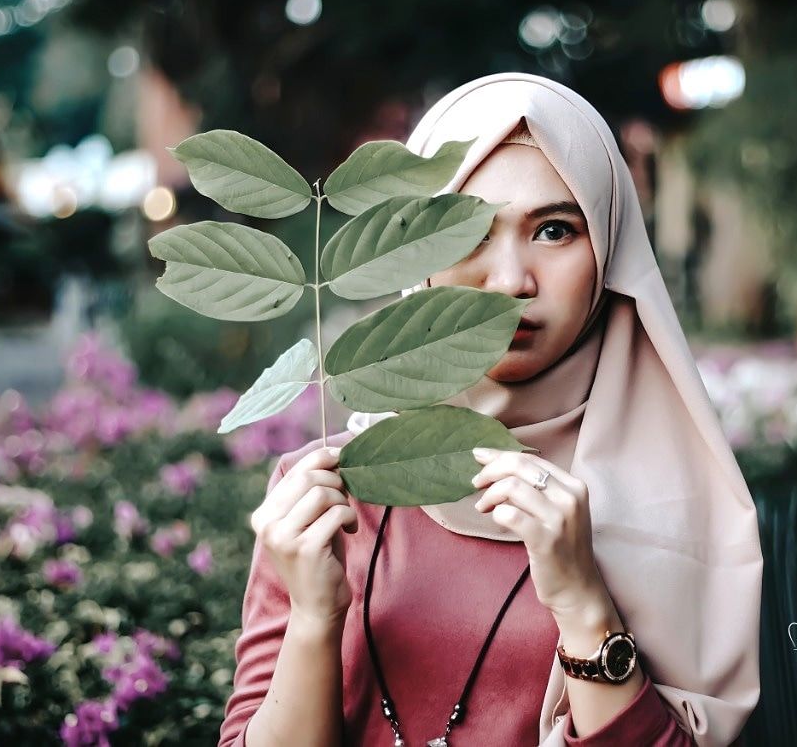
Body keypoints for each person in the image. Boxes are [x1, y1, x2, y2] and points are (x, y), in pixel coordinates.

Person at [218, 73, 764, 747]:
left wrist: (584, 604)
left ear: (611, 252)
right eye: (467, 231)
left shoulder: (680, 501)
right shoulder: (326, 495)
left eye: (556, 230)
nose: (510, 281)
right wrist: (312, 618)